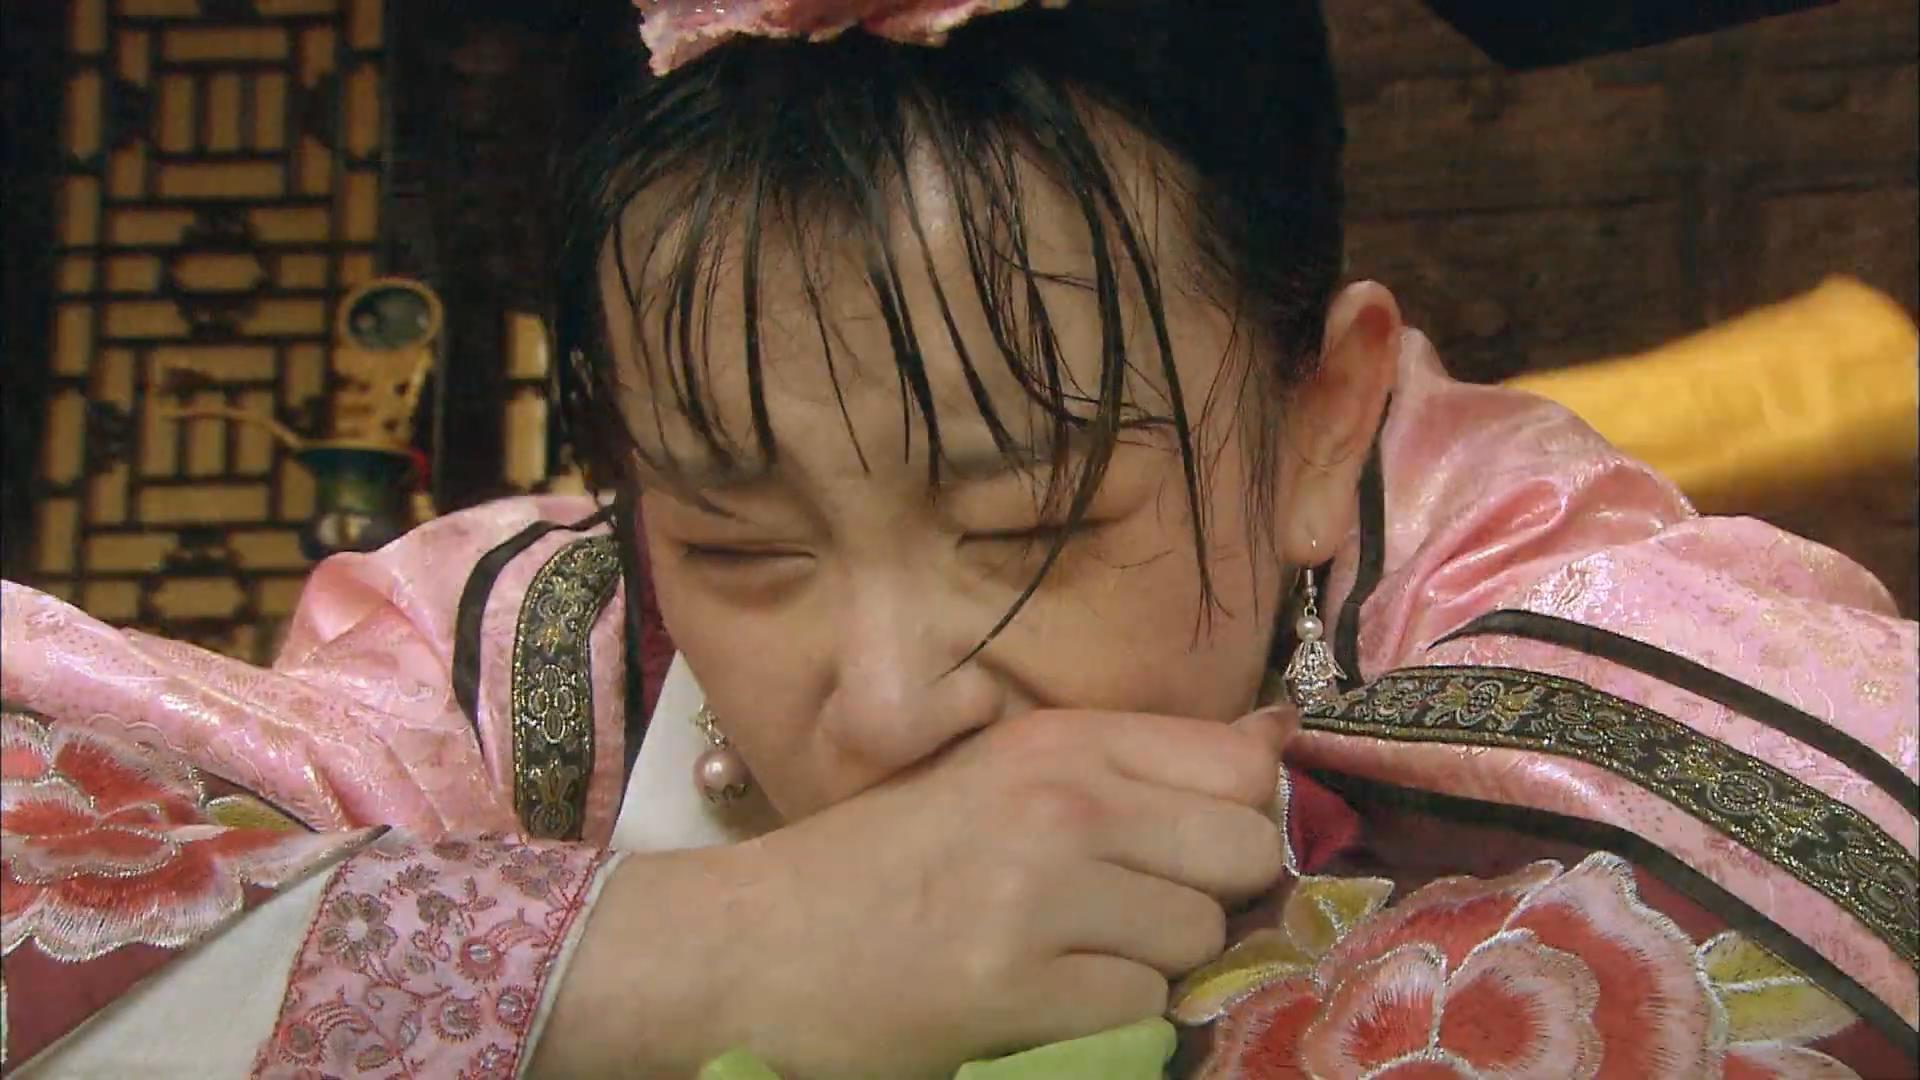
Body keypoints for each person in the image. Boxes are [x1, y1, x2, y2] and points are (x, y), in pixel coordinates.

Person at [3, 1, 1914, 1076]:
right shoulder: (520, 643)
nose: (890, 698)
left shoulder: (1539, 564)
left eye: (1030, 521)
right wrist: (700, 947)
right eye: (740, 544)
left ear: (1323, 414)